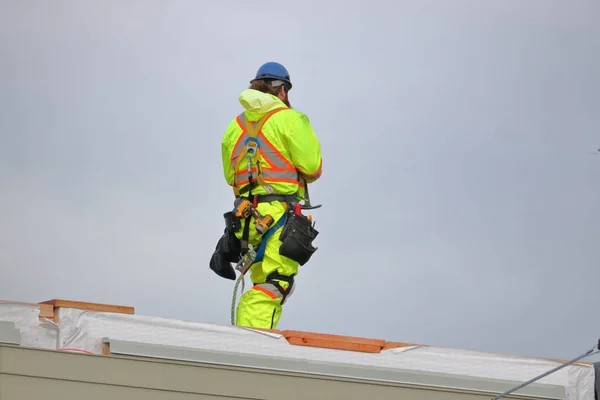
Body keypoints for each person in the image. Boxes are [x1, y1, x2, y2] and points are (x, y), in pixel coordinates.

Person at [210, 61, 323, 330]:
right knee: (276, 283)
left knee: (264, 282)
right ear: (282, 90)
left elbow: (230, 177)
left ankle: (249, 335)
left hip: (246, 219)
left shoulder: (234, 127)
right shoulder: (291, 119)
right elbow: (313, 168)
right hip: (279, 217)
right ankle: (251, 345)